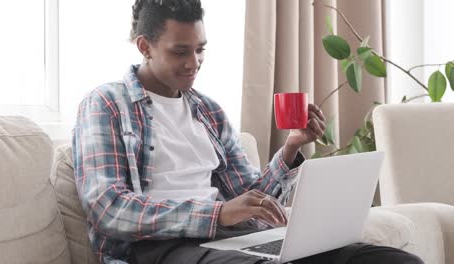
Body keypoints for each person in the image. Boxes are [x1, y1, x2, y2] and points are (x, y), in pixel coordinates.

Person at [72, 0, 424, 263]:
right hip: (158, 248)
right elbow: (109, 208)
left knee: (391, 260)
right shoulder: (106, 104)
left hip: (229, 240)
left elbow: (251, 198)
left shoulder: (208, 111)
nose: (194, 63)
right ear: (145, 46)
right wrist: (218, 214)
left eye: (200, 49)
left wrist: (291, 149)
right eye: (180, 52)